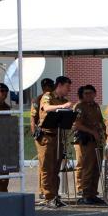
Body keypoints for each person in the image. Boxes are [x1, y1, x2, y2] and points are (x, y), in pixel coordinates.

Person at [37, 75, 74, 208]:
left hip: (58, 137)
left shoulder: (63, 100)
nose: (68, 90)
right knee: (47, 168)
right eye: (67, 87)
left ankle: (55, 195)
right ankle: (48, 197)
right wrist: (63, 106)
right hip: (46, 137)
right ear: (59, 85)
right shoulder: (48, 96)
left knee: (56, 168)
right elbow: (46, 108)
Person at [73, 84, 106, 205]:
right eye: (86, 94)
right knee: (88, 167)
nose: (88, 96)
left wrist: (103, 131)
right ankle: (86, 194)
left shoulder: (96, 106)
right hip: (86, 141)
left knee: (97, 167)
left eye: (91, 93)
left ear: (95, 94)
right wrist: (92, 131)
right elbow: (77, 124)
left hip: (97, 140)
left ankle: (93, 193)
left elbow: (100, 121)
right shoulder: (80, 107)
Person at [30, 78, 55, 198]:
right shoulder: (38, 99)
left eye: (51, 85)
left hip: (51, 133)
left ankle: (46, 189)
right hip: (41, 134)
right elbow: (33, 118)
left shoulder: (51, 98)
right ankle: (42, 190)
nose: (49, 88)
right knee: (43, 165)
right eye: (47, 86)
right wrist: (35, 133)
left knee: (48, 165)